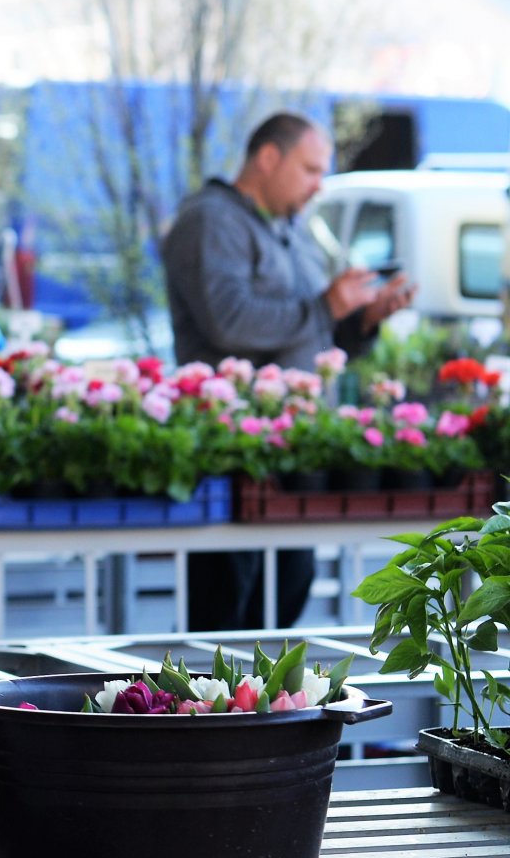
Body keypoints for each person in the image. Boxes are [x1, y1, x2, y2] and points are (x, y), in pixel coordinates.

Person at [162, 112, 415, 630]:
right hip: (232, 451)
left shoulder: (293, 230)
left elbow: (307, 331)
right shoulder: (210, 219)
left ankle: (260, 707)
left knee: (289, 587)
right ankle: (209, 711)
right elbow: (229, 320)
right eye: (310, 170)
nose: (319, 186)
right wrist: (326, 307)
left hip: (291, 451)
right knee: (225, 610)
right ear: (268, 157)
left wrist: (360, 319)